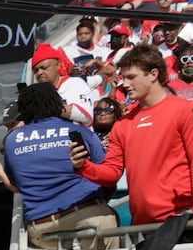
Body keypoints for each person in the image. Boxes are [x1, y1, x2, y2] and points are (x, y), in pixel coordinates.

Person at [72, 43, 193, 225]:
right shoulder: (123, 124)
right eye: (123, 78)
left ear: (153, 74)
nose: (125, 84)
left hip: (183, 221)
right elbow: (112, 172)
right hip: (143, 223)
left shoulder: (184, 111)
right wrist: (83, 166)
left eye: (131, 77)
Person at [0, 81, 118, 250]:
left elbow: (16, 183)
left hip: (41, 230)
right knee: (111, 220)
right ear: (57, 103)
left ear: (23, 109)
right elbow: (107, 175)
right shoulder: (81, 132)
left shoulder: (11, 140)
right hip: (90, 217)